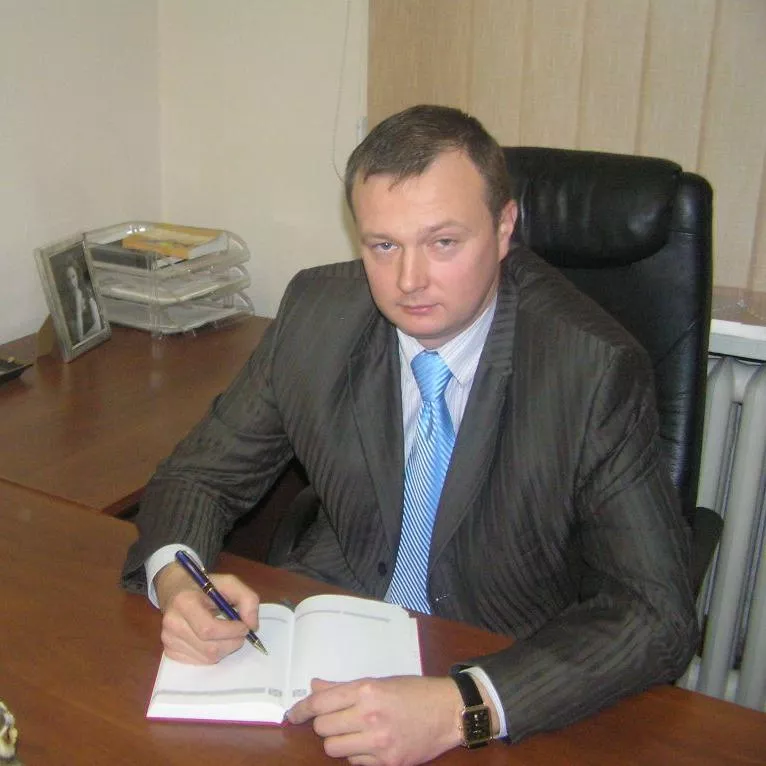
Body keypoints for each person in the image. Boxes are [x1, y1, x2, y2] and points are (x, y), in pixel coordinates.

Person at [122, 105, 697, 763]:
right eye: (384, 246)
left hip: (499, 660)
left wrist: (462, 706)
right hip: (327, 640)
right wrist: (179, 582)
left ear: (504, 228)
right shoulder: (317, 315)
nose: (409, 281)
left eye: (443, 242)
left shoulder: (590, 368)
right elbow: (198, 476)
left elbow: (656, 613)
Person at [61, 255, 102, 344]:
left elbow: (98, 327)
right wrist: (78, 303)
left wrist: (83, 339)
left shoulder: (87, 293)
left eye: (73, 276)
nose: (72, 282)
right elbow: (77, 336)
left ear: (77, 276)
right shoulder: (66, 304)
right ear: (65, 282)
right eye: (68, 279)